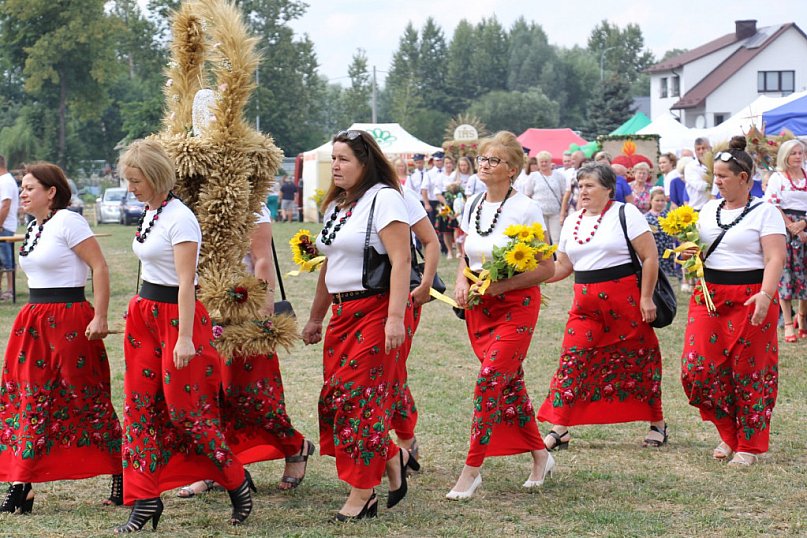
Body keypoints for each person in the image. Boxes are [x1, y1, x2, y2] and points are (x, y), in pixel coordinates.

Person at [115, 139, 252, 532]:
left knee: (186, 412)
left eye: (137, 180)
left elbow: (186, 283)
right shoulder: (150, 213)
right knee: (139, 410)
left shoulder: (181, 218)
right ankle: (145, 499)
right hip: (144, 317)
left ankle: (236, 482)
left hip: (178, 320)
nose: (131, 188)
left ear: (157, 177)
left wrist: (186, 338)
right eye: (128, 180)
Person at [301, 129, 417, 521]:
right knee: (337, 398)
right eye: (333, 158)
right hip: (341, 315)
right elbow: (329, 265)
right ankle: (392, 456)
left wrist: (395, 318)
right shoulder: (338, 205)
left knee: (359, 401)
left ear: (365, 163)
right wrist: (316, 317)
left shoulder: (384, 199)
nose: (335, 165)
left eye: (344, 159)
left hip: (376, 310)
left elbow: (401, 260)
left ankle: (362, 494)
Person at [0, 162, 123, 513]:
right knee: (28, 397)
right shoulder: (34, 226)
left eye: (29, 188)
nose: (22, 193)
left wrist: (100, 315)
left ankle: (122, 472)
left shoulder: (69, 221)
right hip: (33, 320)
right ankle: (22, 485)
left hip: (69, 318)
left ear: (51, 191)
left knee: (86, 396)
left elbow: (99, 267)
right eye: (21, 188)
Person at [176, 202, 314, 499]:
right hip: (207, 312)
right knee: (211, 396)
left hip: (245, 312)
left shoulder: (252, 205)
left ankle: (295, 446)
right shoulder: (192, 203)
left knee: (253, 395)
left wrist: (263, 308)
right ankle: (216, 469)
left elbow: (261, 258)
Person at [448, 131, 555, 500]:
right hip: (480, 308)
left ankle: (472, 470)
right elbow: (465, 253)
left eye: (494, 160)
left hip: (516, 306)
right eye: (483, 158)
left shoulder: (526, 208)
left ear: (511, 170)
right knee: (509, 384)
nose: (485, 164)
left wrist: (500, 287)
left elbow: (546, 267)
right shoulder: (472, 203)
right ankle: (541, 455)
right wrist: (462, 280)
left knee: (490, 380)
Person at [538, 163, 668, 450]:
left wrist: (646, 298)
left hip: (626, 305)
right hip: (585, 307)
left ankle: (657, 423)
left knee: (640, 361)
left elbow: (650, 257)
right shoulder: (572, 220)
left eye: (590, 186)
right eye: (580, 186)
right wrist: (532, 277)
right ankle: (560, 428)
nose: (583, 191)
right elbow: (564, 266)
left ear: (608, 188)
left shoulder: (626, 213)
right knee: (572, 360)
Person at [680, 136, 785, 465]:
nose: (717, 181)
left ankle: (748, 444)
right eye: (715, 175)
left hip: (752, 296)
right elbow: (702, 250)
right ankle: (728, 432)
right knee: (697, 367)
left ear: (743, 178)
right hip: (709, 297)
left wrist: (766, 295)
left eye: (723, 176)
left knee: (747, 371)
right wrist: (689, 252)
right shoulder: (708, 209)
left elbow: (775, 258)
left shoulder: (766, 212)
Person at [392, 186, 441, 460]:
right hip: (354, 301)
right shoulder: (344, 197)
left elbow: (430, 240)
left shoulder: (400, 194)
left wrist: (426, 283)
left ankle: (404, 436)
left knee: (392, 369)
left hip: (400, 295)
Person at [763, 139, 807, 343]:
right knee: (786, 274)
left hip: (805, 225)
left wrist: (803, 224)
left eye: (801, 152)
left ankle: (802, 317)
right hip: (784, 228)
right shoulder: (777, 178)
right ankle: (788, 322)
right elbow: (772, 205)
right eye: (793, 153)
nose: (798, 156)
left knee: (805, 273)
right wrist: (792, 227)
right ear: (785, 155)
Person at [528, 151, 566, 244]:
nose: (544, 164)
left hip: (555, 213)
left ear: (550, 162)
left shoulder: (559, 175)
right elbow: (528, 194)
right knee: (542, 240)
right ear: (538, 163)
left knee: (557, 239)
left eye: (546, 161)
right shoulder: (533, 176)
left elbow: (564, 194)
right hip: (539, 213)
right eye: (541, 162)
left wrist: (563, 212)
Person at [646, 187, 681, 285]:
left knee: (669, 280)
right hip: (654, 253)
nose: (660, 203)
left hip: (668, 253)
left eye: (662, 200)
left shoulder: (669, 216)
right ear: (651, 201)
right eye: (657, 200)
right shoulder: (646, 218)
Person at [0, 154, 19, 301]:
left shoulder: (5, 181)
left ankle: (10, 290)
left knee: (7, 261)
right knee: (2, 261)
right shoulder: (5, 180)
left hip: (4, 226)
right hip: (4, 225)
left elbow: (5, 205)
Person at [684, 137, 712, 210]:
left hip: (713, 208)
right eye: (698, 149)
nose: (701, 151)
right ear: (695, 151)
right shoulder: (690, 167)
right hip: (697, 209)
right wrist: (715, 185)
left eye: (703, 148)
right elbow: (700, 186)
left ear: (710, 148)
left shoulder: (716, 164)